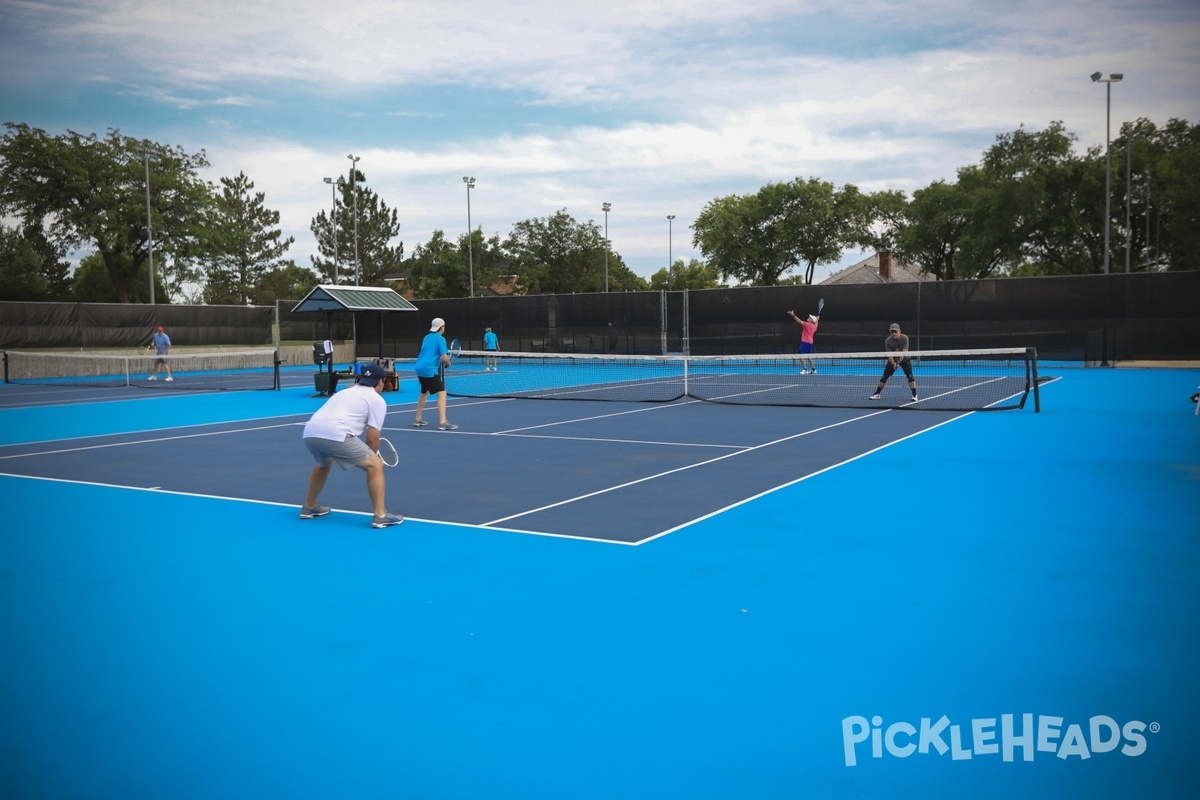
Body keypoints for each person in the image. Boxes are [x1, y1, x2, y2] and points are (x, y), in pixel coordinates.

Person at [299, 363, 403, 528]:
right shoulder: (377, 400)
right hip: (335, 433)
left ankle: (309, 506)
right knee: (375, 465)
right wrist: (373, 456)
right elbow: (373, 438)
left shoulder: (345, 391)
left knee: (324, 463)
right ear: (381, 381)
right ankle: (380, 515)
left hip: (310, 431)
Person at [412, 318, 458, 430]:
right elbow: (444, 357)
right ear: (442, 327)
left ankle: (417, 419)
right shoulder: (440, 339)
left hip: (419, 367)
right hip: (429, 369)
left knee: (424, 392)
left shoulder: (426, 337)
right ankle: (443, 422)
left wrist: (445, 360)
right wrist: (448, 362)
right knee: (442, 393)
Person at [871, 323, 918, 402]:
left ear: (899, 331)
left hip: (905, 360)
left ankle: (914, 395)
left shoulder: (905, 338)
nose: (893, 333)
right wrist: (894, 364)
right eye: (892, 332)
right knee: (884, 377)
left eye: (895, 331)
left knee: (910, 376)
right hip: (893, 360)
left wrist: (898, 362)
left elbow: (904, 352)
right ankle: (877, 394)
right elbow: (889, 355)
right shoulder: (888, 341)